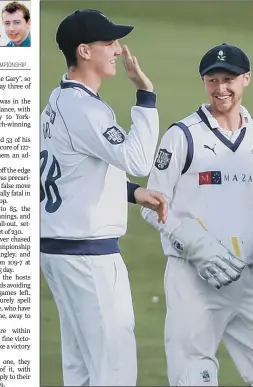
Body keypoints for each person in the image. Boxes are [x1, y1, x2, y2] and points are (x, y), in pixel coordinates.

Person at [140, 43, 253, 387]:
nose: (220, 88)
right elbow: (151, 205)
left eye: (228, 79)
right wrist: (196, 245)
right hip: (193, 281)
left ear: (246, 79)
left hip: (244, 278)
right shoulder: (182, 135)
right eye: (212, 80)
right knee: (193, 377)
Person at [40, 9, 165, 386]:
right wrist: (146, 96)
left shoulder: (58, 100)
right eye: (108, 43)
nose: (117, 49)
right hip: (88, 257)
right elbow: (139, 159)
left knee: (81, 370)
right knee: (114, 370)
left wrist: (131, 193)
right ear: (84, 51)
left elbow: (73, 170)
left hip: (59, 250)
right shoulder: (87, 108)